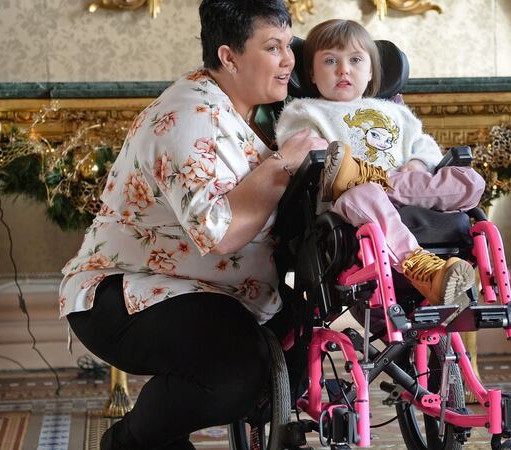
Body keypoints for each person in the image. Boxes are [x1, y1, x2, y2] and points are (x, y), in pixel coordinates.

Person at [59, 1, 327, 448]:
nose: (288, 60)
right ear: (229, 57)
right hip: (126, 292)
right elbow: (220, 233)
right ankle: (127, 442)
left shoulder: (253, 108)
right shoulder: (188, 116)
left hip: (209, 290)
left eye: (288, 45)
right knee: (236, 368)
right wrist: (284, 163)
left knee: (299, 345)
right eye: (273, 47)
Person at [276, 19, 486, 309]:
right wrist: (338, 165)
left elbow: (424, 145)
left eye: (355, 60)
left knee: (471, 180)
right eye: (330, 60)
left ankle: (387, 184)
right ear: (311, 72)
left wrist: (418, 162)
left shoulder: (393, 111)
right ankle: (421, 267)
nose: (343, 69)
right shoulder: (305, 111)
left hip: (404, 188)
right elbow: (301, 152)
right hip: (351, 202)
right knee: (365, 192)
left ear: (371, 71)